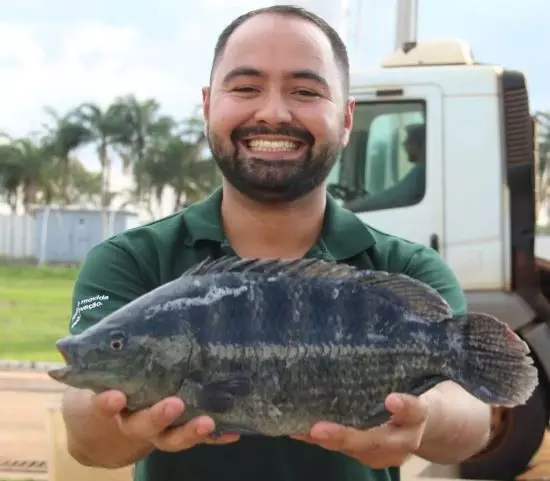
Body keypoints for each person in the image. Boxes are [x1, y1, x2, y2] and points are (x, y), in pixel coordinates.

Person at [60, 5, 502, 481]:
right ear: (209, 104)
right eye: (246, 87)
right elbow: (86, 436)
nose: (273, 112)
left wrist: (424, 417)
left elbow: (473, 418)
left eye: (306, 91)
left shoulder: (405, 266)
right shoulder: (132, 260)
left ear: (347, 117)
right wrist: (128, 428)